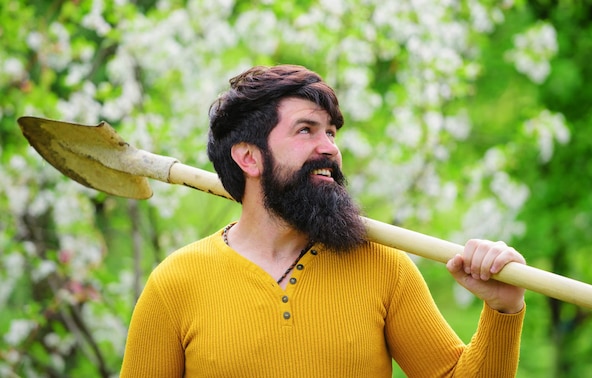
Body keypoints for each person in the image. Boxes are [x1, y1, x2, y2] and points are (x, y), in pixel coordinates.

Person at [120, 65, 526, 377]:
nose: (329, 148)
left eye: (331, 133)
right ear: (249, 157)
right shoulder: (175, 285)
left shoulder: (383, 266)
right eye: (306, 130)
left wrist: (503, 309)